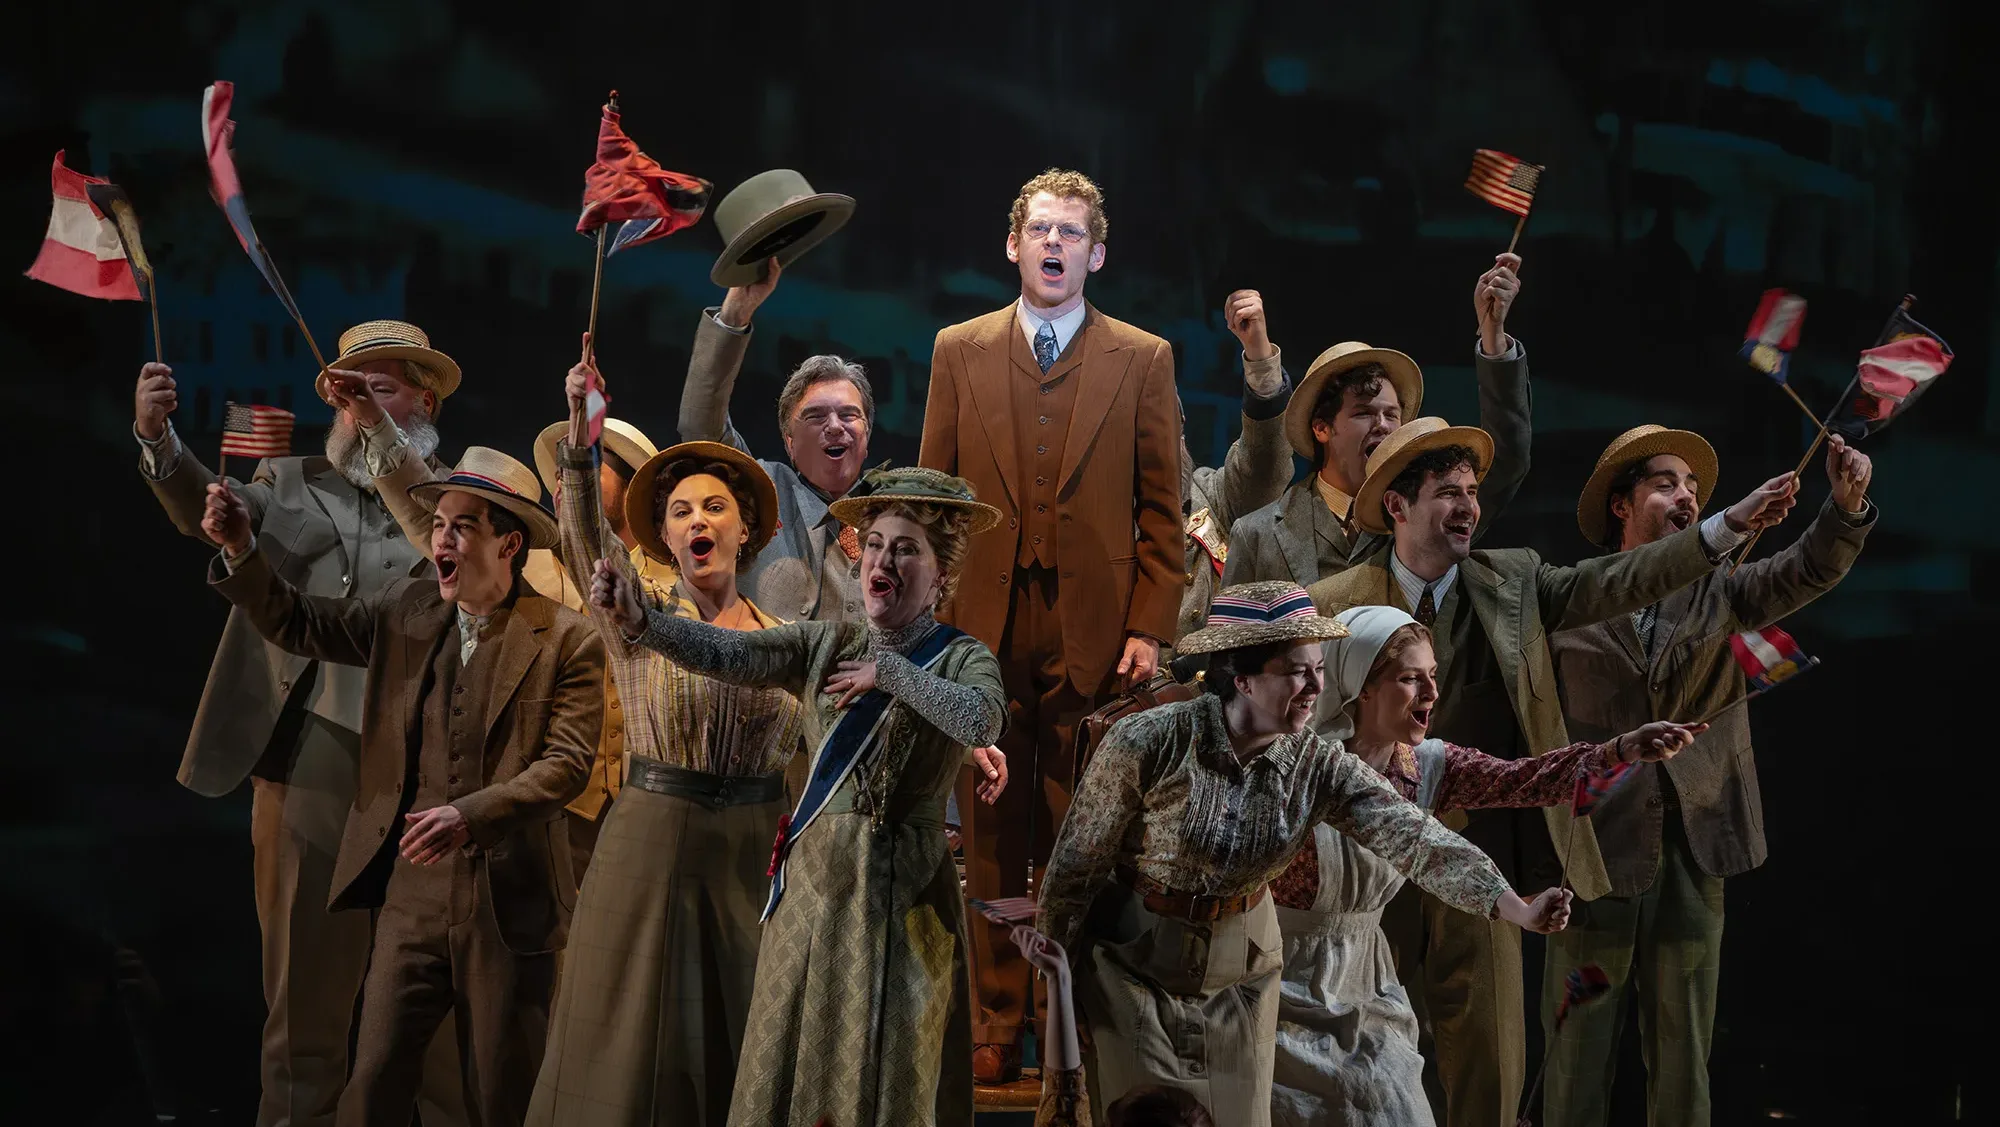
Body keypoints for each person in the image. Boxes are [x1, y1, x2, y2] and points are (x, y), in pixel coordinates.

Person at [1305, 417, 1800, 1127]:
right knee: (1349, 1075)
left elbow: (1621, 578)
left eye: (1473, 491)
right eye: (1449, 492)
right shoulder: (1336, 602)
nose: (1469, 506)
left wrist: (1721, 530)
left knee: (1493, 1079)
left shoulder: (1514, 582)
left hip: (1482, 864)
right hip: (1353, 883)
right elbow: (1295, 733)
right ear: (1397, 506)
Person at [1036, 581, 1573, 1127]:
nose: (1318, 686)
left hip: (1242, 967)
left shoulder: (1316, 764)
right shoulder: (1149, 741)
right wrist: (1053, 993)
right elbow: (1075, 870)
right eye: (1298, 671)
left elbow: (1414, 837)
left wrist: (1516, 908)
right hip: (1137, 964)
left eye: (1319, 668)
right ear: (1242, 679)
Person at [588, 467, 1011, 1127]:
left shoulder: (962, 657)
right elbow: (727, 653)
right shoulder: (826, 642)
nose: (883, 560)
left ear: (941, 577)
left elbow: (983, 720)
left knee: (893, 1074)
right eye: (874, 544)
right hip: (816, 894)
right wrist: (645, 622)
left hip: (904, 904)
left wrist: (892, 673)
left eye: (906, 549)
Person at [202, 446, 603, 1127]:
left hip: (508, 907)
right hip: (411, 900)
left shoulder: (566, 639)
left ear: (508, 542)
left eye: (461, 526)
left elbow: (566, 763)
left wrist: (472, 813)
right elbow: (301, 621)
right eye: (438, 523)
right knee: (373, 1083)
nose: (440, 539)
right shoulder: (408, 610)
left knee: (499, 1095)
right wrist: (242, 549)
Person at [132, 319, 466, 1127]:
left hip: (429, 772)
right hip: (309, 757)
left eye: (380, 389)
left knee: (436, 1018)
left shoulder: (456, 503)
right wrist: (158, 439)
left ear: (422, 400)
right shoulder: (286, 481)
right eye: (349, 395)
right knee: (304, 1007)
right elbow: (200, 509)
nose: (361, 409)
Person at [919, 168, 1184, 1082]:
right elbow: (935, 506)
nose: (1055, 244)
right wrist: (935, 630)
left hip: (1094, 631)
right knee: (991, 823)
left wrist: (1149, 625)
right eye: (1041, 229)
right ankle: (995, 1018)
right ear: (1013, 244)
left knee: (1082, 830)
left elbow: (1163, 509)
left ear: (1096, 254)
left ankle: (1065, 1006)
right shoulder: (959, 348)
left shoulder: (1142, 358)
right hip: (983, 626)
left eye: (1072, 232)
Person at [1540, 426, 1875, 1127]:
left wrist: (1842, 508)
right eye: (1667, 482)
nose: (1686, 495)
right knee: (1577, 1056)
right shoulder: (1569, 600)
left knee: (1683, 1053)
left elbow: (1805, 568)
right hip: (1594, 853)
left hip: (1695, 848)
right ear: (1622, 505)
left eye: (1693, 486)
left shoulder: (1719, 591)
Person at [1269, 605, 1705, 1126]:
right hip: (1279, 980)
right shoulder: (1291, 764)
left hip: (1366, 981)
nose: (1431, 693)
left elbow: (1527, 780)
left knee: (1388, 1105)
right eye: (1411, 679)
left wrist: (1623, 749)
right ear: (1360, 686)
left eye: (1433, 675)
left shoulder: (1428, 765)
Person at [526, 349, 807, 1127]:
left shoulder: (789, 639)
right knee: (629, 1059)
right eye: (680, 511)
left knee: (741, 1052)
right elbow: (584, 538)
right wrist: (583, 441)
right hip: (650, 847)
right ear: (663, 535)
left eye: (714, 507)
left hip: (753, 859)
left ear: (746, 527)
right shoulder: (639, 619)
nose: (697, 522)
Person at [1224, 255, 1532, 589]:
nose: (1383, 426)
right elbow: (1231, 639)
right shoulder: (1257, 534)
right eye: (1364, 413)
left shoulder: (1430, 511)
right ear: (1321, 428)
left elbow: (1507, 459)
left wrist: (1494, 337)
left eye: (1392, 414)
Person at [677, 256, 877, 623]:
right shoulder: (760, 490)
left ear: (866, 434)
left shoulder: (893, 513)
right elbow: (700, 428)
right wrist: (735, 314)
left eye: (849, 415)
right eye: (815, 416)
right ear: (789, 442)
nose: (835, 426)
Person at [1177, 288, 1295, 639]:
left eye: (1171, 424)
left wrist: (1259, 356)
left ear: (1183, 429)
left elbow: (1266, 463)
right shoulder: (1102, 508)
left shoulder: (1210, 496)